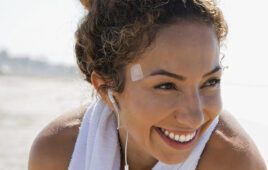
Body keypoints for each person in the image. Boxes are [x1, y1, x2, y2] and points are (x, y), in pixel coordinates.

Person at [28, 0, 267, 169]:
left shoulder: (234, 163)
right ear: (105, 89)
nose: (194, 117)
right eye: (166, 86)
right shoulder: (58, 155)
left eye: (210, 82)